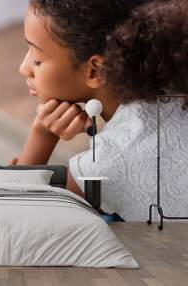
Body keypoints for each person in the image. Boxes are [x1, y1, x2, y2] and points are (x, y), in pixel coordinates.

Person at [11, 0, 188, 221]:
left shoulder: (109, 161)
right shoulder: (175, 81)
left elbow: (16, 210)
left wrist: (42, 134)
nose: (24, 67)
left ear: (95, 71)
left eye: (37, 59)